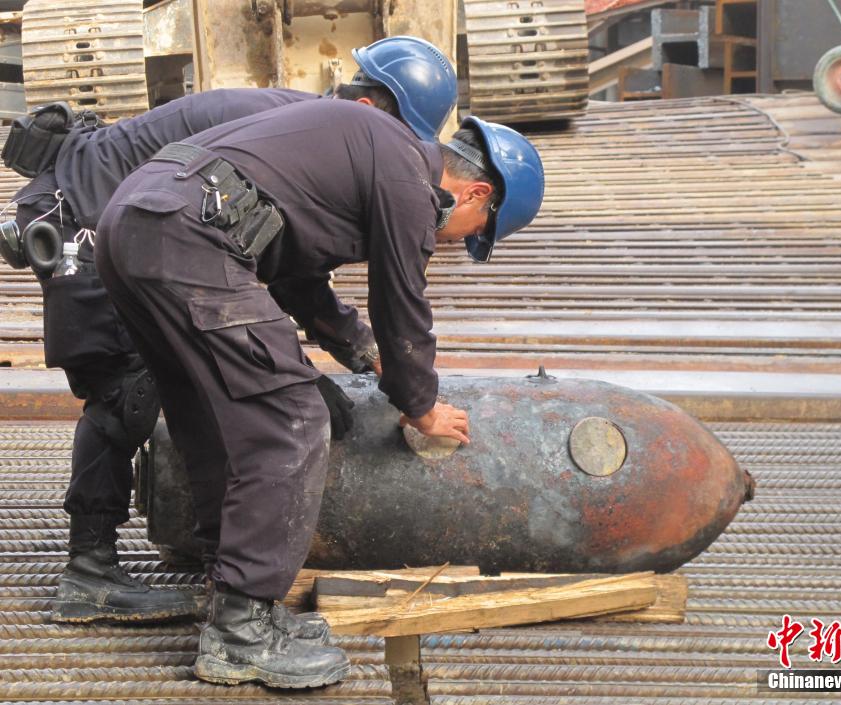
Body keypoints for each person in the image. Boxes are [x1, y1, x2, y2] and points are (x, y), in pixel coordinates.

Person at [0, 36, 457, 626]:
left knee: (169, 381)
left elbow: (265, 262)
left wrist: (354, 351)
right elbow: (271, 275)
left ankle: (202, 562)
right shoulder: (296, 126)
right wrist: (302, 370)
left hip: (126, 218)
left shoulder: (307, 127)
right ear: (371, 110)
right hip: (81, 213)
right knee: (125, 393)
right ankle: (91, 572)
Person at [93, 99, 544, 688]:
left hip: (135, 222)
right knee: (292, 418)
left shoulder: (368, 152)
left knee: (208, 413)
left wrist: (361, 352)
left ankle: (230, 594)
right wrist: (421, 406)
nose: (462, 241)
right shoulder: (409, 181)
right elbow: (402, 302)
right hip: (189, 236)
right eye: (478, 232)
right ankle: (241, 632)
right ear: (477, 194)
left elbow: (296, 277)